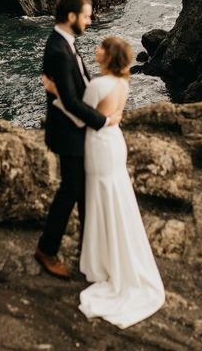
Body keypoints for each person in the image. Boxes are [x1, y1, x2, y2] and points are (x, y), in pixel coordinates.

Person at [46, 35, 166, 329]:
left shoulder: (99, 85)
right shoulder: (123, 83)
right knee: (115, 196)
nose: (96, 50)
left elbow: (79, 117)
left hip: (98, 145)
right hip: (115, 143)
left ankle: (102, 261)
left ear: (109, 56)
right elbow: (108, 115)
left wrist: (56, 94)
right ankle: (113, 255)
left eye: (101, 47)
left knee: (100, 198)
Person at [35, 0, 122, 280]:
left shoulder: (66, 43)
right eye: (86, 15)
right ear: (71, 17)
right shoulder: (59, 50)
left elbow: (77, 89)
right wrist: (104, 120)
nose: (90, 20)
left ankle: (90, 253)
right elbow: (72, 101)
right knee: (70, 190)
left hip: (76, 131)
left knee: (84, 193)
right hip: (68, 134)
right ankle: (47, 250)